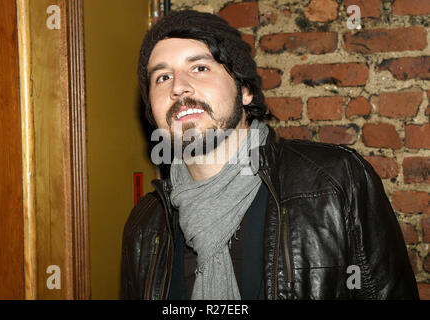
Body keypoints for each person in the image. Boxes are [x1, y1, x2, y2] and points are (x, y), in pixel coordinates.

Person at [121, 10, 419, 300]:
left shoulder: (335, 182)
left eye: (200, 68)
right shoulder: (146, 225)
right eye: (162, 77)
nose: (179, 87)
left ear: (245, 90)